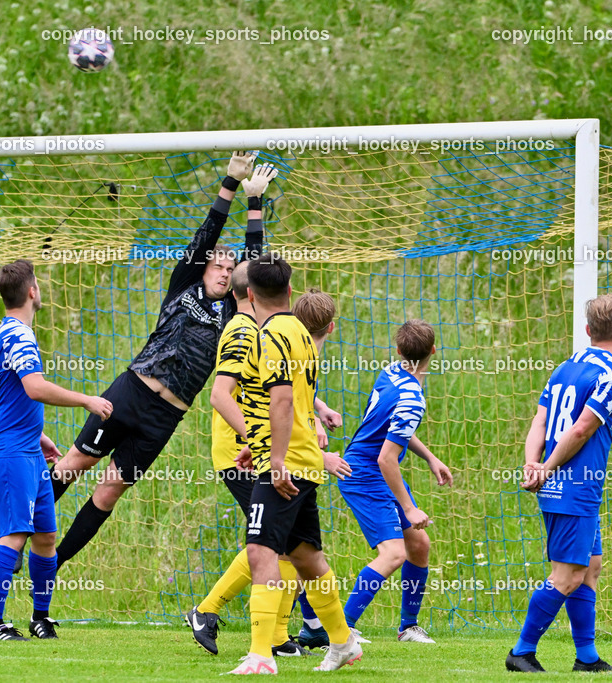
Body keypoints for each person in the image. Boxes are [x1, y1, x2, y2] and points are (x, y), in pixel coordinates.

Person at [47, 153, 268, 569]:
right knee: (76, 462)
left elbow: (255, 267)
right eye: (217, 266)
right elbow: (206, 235)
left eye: (229, 269)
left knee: (109, 491)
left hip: (165, 416)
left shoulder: (234, 311)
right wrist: (230, 183)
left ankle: (52, 564)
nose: (224, 273)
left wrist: (254, 201)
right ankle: (20, 534)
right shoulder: (184, 284)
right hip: (131, 392)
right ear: (203, 269)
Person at [189, 286, 349, 657]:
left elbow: (286, 395)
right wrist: (268, 444)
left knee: (289, 548)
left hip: (270, 453)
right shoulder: (249, 331)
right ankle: (215, 614)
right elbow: (240, 396)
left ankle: (285, 638)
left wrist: (317, 411)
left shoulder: (288, 341)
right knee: (268, 544)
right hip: (252, 455)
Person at [229, 254, 361, 675]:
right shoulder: (301, 333)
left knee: (260, 551)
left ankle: (260, 655)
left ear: (250, 296)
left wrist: (275, 458)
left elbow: (283, 401)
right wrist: (262, 445)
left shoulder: (271, 336)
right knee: (305, 555)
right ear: (289, 291)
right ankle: (342, 641)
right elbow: (297, 400)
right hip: (301, 457)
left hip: (285, 463)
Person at [0, 260, 112, 641]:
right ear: (32, 291)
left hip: (28, 450)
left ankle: (40, 617)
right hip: (8, 452)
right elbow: (34, 387)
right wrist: (86, 400)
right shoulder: (18, 336)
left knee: (45, 536)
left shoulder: (11, 332)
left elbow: (0, 394)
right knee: (14, 535)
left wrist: (39, 437)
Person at [506, 294, 612, 673]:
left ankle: (587, 658)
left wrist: (532, 463)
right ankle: (522, 652)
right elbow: (580, 430)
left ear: (588, 330)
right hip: (575, 487)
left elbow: (540, 422)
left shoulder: (565, 367)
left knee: (590, 566)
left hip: (559, 484)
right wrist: (544, 468)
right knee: (568, 576)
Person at [337, 319, 452, 643]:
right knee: (393, 554)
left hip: (373, 472)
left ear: (399, 350)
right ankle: (341, 630)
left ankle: (408, 627)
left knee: (419, 544)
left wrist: (430, 458)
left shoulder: (391, 373)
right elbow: (386, 459)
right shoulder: (412, 398)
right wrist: (409, 508)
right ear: (433, 350)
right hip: (364, 475)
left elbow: (395, 430)